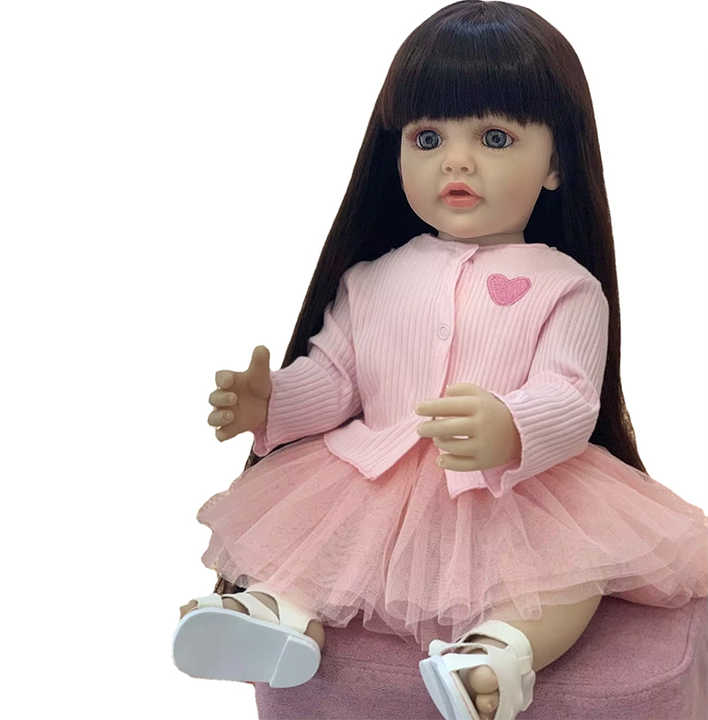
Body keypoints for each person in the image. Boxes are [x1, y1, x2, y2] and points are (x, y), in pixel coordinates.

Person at [172, 2, 708, 718]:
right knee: (315, 547)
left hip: (516, 486)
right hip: (373, 474)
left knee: (566, 575)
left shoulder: (567, 286)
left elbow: (572, 394)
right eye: (428, 138)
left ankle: (500, 654)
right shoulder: (371, 279)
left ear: (557, 164)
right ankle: (273, 618)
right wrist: (273, 402)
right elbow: (336, 379)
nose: (455, 160)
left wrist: (512, 424)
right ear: (394, 154)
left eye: (494, 137)